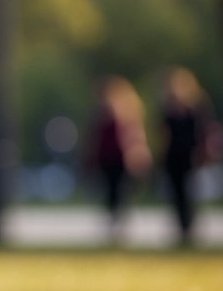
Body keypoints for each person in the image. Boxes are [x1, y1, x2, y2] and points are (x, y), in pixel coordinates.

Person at [86, 76, 151, 239]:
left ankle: (120, 223)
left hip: (122, 160)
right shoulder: (101, 115)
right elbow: (95, 139)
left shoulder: (127, 115)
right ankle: (113, 222)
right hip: (106, 160)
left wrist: (137, 156)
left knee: (121, 192)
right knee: (110, 192)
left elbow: (135, 139)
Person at [160, 67, 210, 245]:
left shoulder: (196, 109)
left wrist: (202, 153)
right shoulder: (167, 109)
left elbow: (203, 132)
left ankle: (190, 227)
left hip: (190, 156)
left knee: (190, 192)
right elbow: (163, 134)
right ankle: (181, 227)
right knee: (176, 193)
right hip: (173, 156)